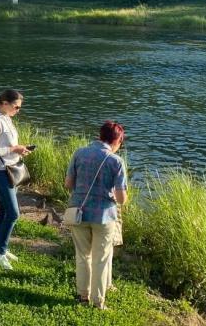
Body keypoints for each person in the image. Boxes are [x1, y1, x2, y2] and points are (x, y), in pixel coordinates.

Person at [64, 120, 129, 310]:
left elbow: (68, 184)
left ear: (100, 136)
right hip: (104, 216)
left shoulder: (79, 153)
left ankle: (82, 296)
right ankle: (98, 302)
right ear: (117, 140)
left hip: (78, 212)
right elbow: (121, 198)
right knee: (100, 258)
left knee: (82, 256)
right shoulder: (116, 161)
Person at [0, 89, 31, 269]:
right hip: (1, 171)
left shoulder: (6, 118)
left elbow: (9, 145)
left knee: (4, 211)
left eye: (19, 108)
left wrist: (21, 149)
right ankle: (1, 254)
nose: (18, 110)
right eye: (16, 107)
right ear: (4, 103)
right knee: (13, 213)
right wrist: (14, 150)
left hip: (12, 169)